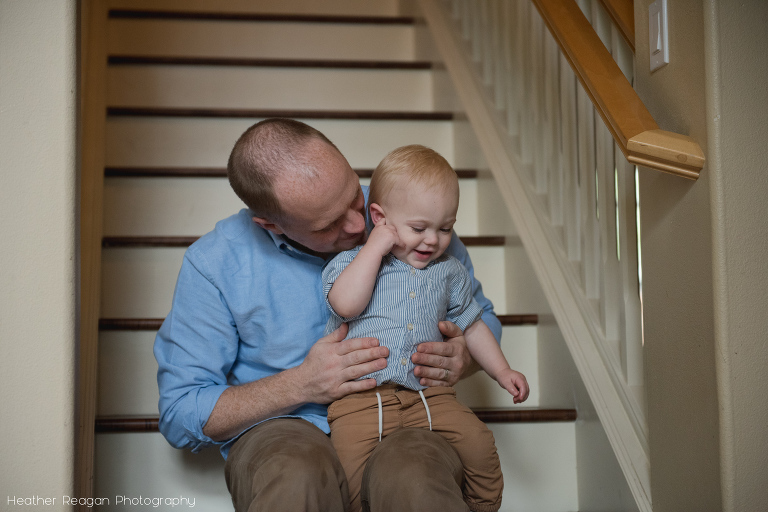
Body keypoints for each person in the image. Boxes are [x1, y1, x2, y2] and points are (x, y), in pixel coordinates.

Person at [154, 118, 503, 512]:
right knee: (294, 474)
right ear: (271, 225)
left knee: (415, 475)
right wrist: (300, 385)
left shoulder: (408, 213)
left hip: (405, 407)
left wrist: (463, 356)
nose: (358, 225)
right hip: (284, 428)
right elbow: (181, 411)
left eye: (354, 197)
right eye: (328, 225)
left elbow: (482, 319)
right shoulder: (215, 263)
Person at [322, 145, 529, 512]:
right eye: (419, 228)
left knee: (480, 444)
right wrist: (374, 248)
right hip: (360, 402)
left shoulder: (449, 271)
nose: (433, 240)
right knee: (346, 478)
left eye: (445, 228)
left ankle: (483, 506)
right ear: (380, 218)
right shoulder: (352, 263)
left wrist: (502, 371)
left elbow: (472, 324)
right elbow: (345, 305)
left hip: (429, 396)